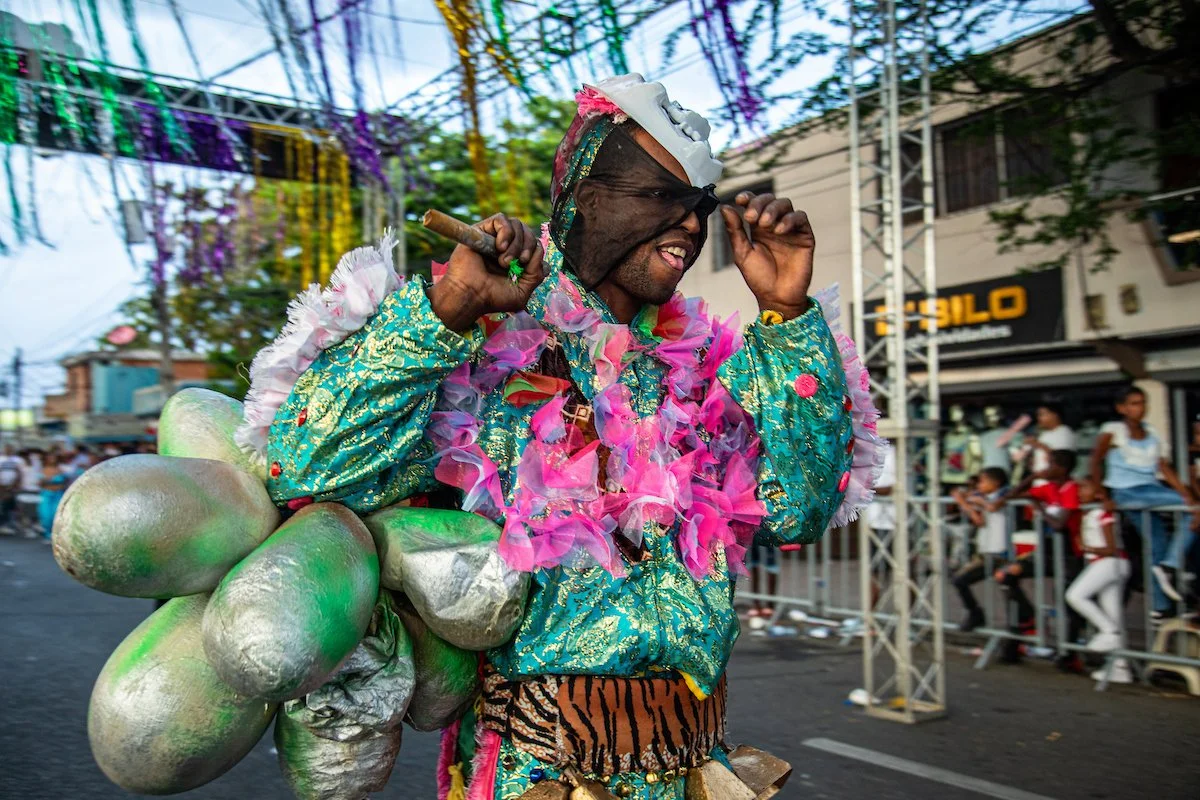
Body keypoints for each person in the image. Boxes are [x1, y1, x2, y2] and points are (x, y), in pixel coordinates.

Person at [237, 74, 882, 798]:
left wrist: (788, 311)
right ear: (585, 199)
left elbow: (795, 507)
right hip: (540, 773)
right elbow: (310, 466)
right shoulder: (486, 342)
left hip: (695, 769)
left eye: (698, 207)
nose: (693, 226)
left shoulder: (698, 368)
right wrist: (451, 308)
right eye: (662, 197)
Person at [1090, 385, 1198, 618]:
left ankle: (1159, 606)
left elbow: (1162, 467)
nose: (1140, 408)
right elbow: (1096, 461)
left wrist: (1184, 491)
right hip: (1126, 492)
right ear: (1122, 408)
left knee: (1157, 543)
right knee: (1193, 510)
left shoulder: (1151, 431)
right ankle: (1170, 565)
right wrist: (1102, 494)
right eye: (1134, 403)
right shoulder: (1113, 430)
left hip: (1151, 489)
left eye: (1143, 402)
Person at [1064, 480, 1131, 683]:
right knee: (1113, 614)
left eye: (1086, 487)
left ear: (1100, 494)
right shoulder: (1090, 512)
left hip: (1110, 563)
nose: (1081, 491)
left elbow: (1111, 548)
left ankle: (1109, 632)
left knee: (1075, 595)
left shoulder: (1104, 513)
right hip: (1108, 564)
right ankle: (1121, 667)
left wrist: (1088, 548)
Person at [951, 467, 1009, 632]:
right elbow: (979, 520)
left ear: (995, 482)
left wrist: (964, 501)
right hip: (987, 551)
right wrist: (965, 502)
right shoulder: (986, 498)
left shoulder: (1003, 496)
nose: (979, 485)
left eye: (983, 481)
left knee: (961, 580)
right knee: (959, 579)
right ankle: (976, 614)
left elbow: (991, 508)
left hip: (999, 551)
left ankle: (978, 615)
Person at [1014, 401, 1075, 486]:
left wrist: (1037, 444)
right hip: (1039, 483)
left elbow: (1062, 461)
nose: (1039, 418)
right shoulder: (1043, 434)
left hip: (1055, 485)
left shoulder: (1064, 432)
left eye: (1042, 414)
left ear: (1054, 415)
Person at [38, 453, 68, 541]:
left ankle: (57, 535)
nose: (52, 459)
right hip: (46, 495)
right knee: (45, 515)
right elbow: (40, 484)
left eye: (53, 458)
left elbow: (65, 483)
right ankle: (47, 533)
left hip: (58, 494)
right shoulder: (42, 470)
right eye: (50, 458)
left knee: (57, 515)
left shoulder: (61, 470)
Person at [0, 444, 24, 534]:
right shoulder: (1, 459)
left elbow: (20, 473)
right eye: (7, 448)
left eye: (10, 448)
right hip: (2, 487)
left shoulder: (18, 460)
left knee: (13, 506)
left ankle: (11, 523)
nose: (8, 450)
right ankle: (3, 524)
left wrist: (15, 484)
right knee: (3, 506)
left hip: (13, 487)